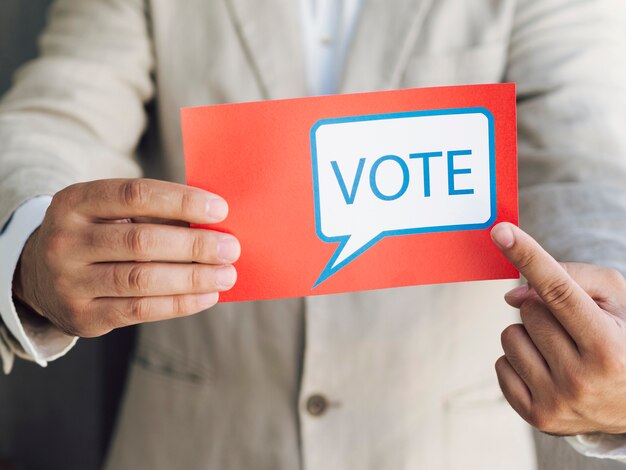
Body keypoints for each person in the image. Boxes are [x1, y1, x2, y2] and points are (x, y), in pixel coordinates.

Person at [1, 0, 626, 468]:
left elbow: (585, 158)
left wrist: (610, 311)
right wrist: (30, 243)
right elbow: (64, 110)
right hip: (194, 442)